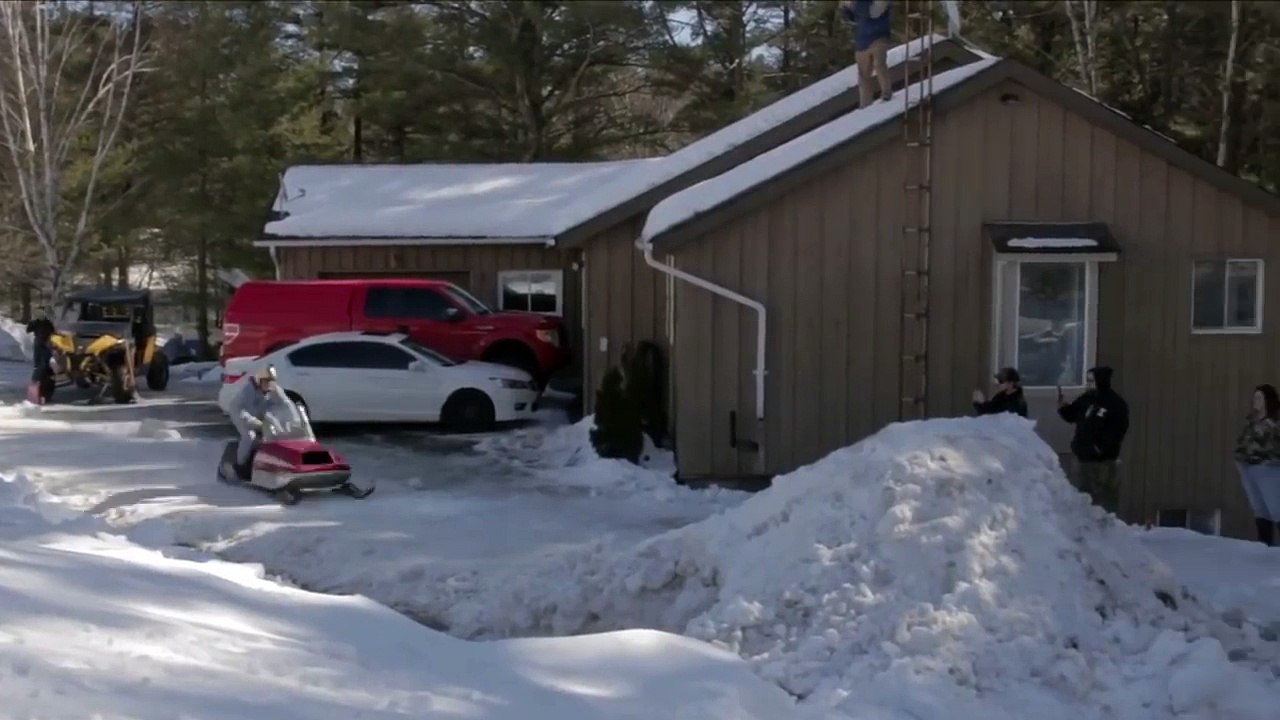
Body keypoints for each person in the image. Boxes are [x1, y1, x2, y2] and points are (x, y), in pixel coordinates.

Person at [1058, 366, 1129, 514]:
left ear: (1101, 381)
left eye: (1092, 380)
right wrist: (1063, 408)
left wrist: (1100, 448)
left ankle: (1106, 527)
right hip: (1081, 458)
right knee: (1081, 501)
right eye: (1087, 380)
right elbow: (1072, 415)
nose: (1088, 383)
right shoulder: (1086, 398)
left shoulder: (1115, 403)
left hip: (1102, 462)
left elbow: (1118, 430)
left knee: (1103, 503)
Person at [227, 365, 300, 474]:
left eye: (271, 381)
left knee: (279, 431)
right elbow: (240, 410)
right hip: (241, 414)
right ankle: (240, 465)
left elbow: (286, 403)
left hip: (259, 414)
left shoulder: (273, 388)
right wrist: (253, 422)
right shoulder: (248, 390)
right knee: (250, 437)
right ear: (259, 380)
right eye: (267, 381)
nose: (270, 384)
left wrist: (295, 420)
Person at [1233, 384, 1280, 546]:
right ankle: (1264, 545)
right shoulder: (1251, 421)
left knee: (1276, 508)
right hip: (1248, 468)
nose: (1255, 401)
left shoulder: (1275, 421)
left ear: (1268, 400)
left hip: (1269, 468)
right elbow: (1243, 441)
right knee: (1259, 509)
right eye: (1254, 398)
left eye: (1259, 398)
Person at [840, 0, 893, 108]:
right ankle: (865, 103)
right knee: (863, 74)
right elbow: (853, 17)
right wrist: (846, 9)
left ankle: (886, 93)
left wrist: (852, 5)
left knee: (879, 64)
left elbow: (873, 12)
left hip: (878, 36)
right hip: (862, 40)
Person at [25, 306, 55, 399]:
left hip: (47, 344)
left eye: (41, 313)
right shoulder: (36, 322)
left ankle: (43, 387)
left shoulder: (48, 323)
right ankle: (36, 385)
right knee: (38, 365)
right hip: (38, 343)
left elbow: (53, 332)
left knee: (44, 365)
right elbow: (28, 329)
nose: (40, 314)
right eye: (38, 313)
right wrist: (32, 321)